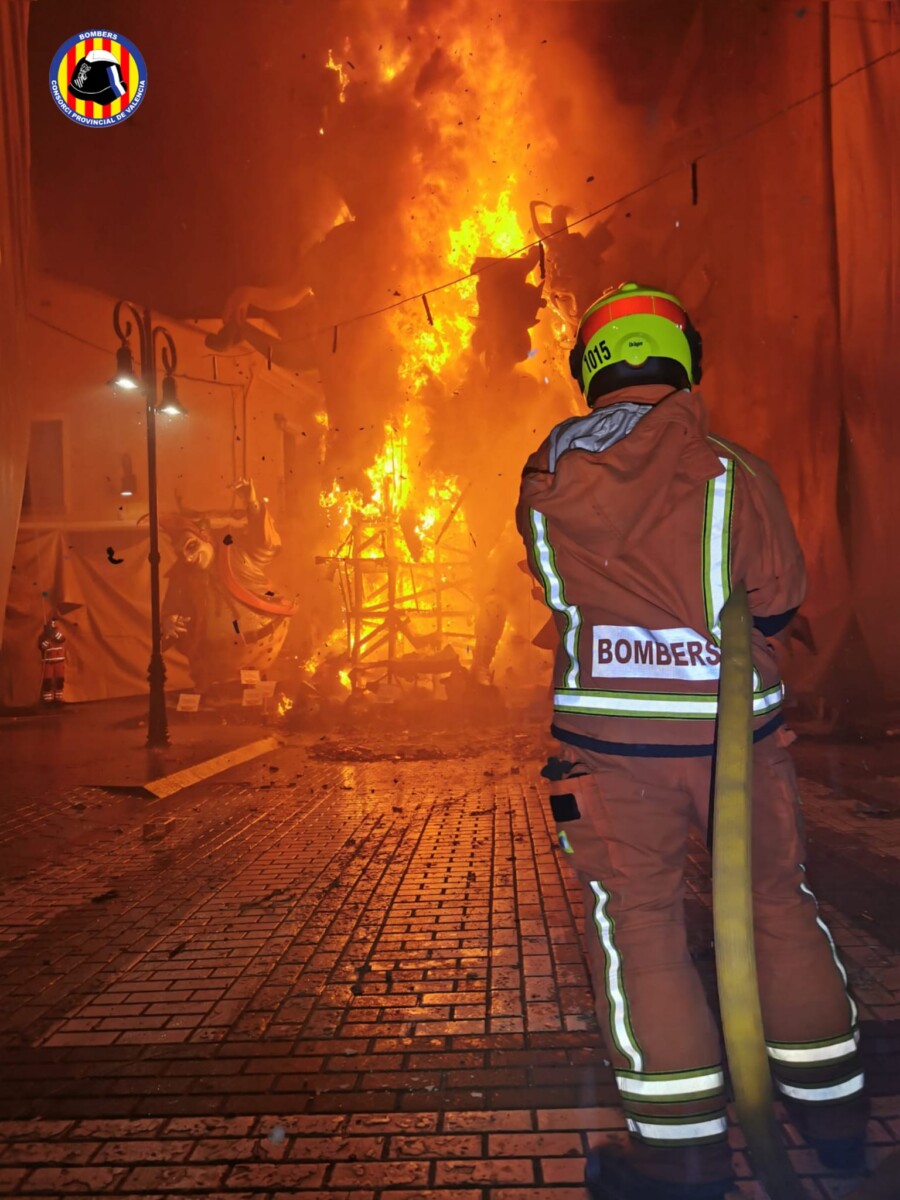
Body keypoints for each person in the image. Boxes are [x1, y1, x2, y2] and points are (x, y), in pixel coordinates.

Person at [516, 283, 867, 1200]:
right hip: (733, 744)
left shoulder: (544, 478)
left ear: (590, 368)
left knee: (638, 928)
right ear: (683, 358)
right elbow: (781, 598)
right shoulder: (735, 472)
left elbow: (558, 597)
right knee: (776, 907)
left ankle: (682, 1150)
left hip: (605, 749)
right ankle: (832, 1117)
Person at [38, 617, 66, 704]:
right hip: (48, 662)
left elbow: (61, 639)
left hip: (59, 662)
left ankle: (59, 699)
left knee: (60, 681)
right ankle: (48, 700)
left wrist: (53, 633)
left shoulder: (59, 633)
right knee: (47, 682)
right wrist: (47, 638)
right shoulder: (43, 637)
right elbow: (42, 646)